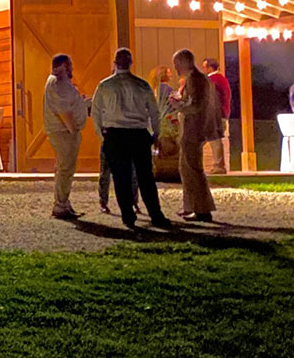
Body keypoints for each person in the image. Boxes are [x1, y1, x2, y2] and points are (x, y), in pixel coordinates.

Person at [92, 48, 168, 228]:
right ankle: (155, 214)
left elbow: (95, 112)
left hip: (115, 134)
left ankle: (128, 215)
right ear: (131, 63)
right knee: (145, 177)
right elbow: (154, 112)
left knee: (121, 177)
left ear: (114, 63)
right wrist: (156, 134)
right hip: (138, 133)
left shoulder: (104, 86)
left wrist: (101, 133)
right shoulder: (142, 85)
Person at [43, 53, 92, 220]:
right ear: (62, 66)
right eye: (69, 65)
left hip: (64, 131)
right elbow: (63, 110)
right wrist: (72, 129)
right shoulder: (57, 83)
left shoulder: (60, 83)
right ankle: (61, 204)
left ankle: (64, 201)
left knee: (63, 167)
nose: (72, 68)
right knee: (66, 167)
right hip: (63, 132)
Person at [173, 48, 219, 221]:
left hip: (194, 130)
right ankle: (190, 205)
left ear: (185, 62)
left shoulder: (197, 80)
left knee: (193, 169)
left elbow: (196, 106)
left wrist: (178, 105)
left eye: (177, 64)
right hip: (190, 130)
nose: (176, 69)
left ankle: (202, 209)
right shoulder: (194, 79)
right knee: (185, 169)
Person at [201, 57, 231, 175]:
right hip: (220, 114)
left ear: (210, 67)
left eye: (205, 67)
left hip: (215, 116)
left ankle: (219, 166)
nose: (203, 69)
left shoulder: (213, 80)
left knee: (214, 139)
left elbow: (211, 100)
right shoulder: (221, 79)